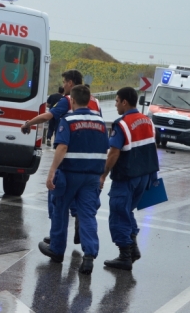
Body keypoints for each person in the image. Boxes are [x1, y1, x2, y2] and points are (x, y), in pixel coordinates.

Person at [22, 70, 100, 244]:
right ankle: (80, 220)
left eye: (64, 82)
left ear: (71, 83)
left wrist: (29, 123)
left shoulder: (67, 101)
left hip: (69, 158)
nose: (63, 85)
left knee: (57, 198)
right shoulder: (95, 101)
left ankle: (56, 239)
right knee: (83, 201)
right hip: (92, 161)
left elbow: (48, 116)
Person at [38, 85, 109, 274]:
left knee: (60, 210)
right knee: (87, 215)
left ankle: (57, 251)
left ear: (73, 101)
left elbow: (62, 148)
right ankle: (88, 257)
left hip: (70, 174)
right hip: (92, 177)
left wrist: (52, 171)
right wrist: (102, 175)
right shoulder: (101, 123)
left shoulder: (68, 120)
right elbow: (105, 150)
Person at [101, 87, 159, 270]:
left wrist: (103, 175)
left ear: (125, 102)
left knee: (118, 212)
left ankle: (125, 255)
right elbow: (151, 149)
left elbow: (114, 153)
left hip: (126, 178)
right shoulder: (148, 121)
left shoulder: (122, 124)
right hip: (144, 177)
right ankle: (132, 249)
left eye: (117, 100)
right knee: (127, 211)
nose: (116, 104)